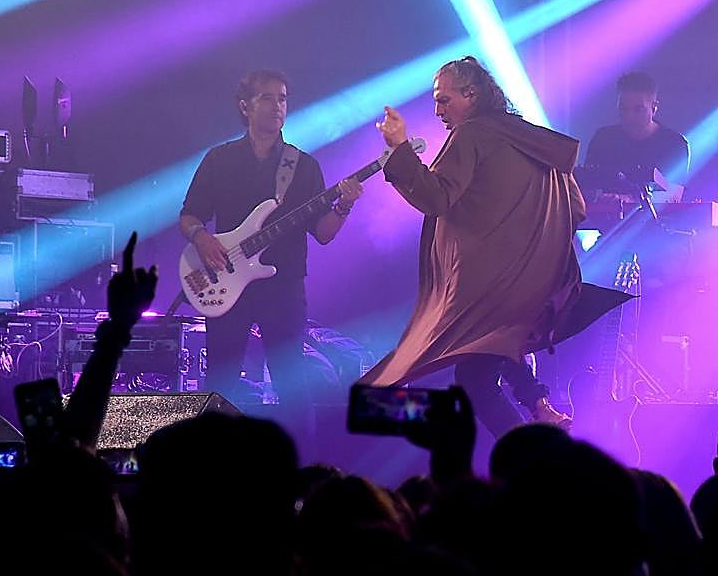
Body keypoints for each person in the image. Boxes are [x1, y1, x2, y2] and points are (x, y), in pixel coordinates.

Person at [362, 56, 626, 438]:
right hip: (531, 284)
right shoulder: (532, 140)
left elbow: (436, 197)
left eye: (444, 100)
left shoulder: (472, 135)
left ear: (471, 94)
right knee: (497, 347)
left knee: (472, 382)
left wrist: (400, 148)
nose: (437, 111)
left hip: (490, 288)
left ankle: (527, 458)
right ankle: (540, 407)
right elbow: (576, 207)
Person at [179, 70, 363, 438]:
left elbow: (323, 234)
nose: (278, 106)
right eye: (267, 98)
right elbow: (189, 215)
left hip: (283, 286)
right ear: (245, 106)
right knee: (220, 382)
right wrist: (202, 239)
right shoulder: (220, 159)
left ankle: (301, 464)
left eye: (282, 98)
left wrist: (344, 205)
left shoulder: (303, 165)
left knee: (292, 382)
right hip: (226, 282)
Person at [584, 71, 691, 188]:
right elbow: (586, 187)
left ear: (654, 107)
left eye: (638, 109)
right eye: (623, 108)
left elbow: (676, 193)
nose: (629, 116)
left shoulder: (674, 144)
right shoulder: (603, 140)